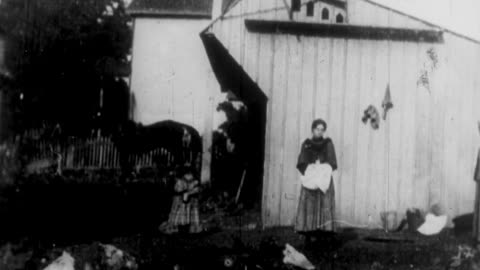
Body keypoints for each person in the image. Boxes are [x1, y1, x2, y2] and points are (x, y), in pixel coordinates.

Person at [295, 119, 338, 241]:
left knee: (325, 203)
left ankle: (325, 232)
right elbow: (302, 161)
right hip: (311, 178)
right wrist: (310, 167)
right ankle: (308, 230)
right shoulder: (307, 144)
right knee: (309, 203)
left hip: (324, 178)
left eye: (322, 130)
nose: (319, 132)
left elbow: (332, 161)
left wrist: (323, 167)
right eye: (317, 129)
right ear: (312, 129)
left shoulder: (328, 143)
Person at [160, 166, 203, 234]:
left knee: (192, 212)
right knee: (178, 212)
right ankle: (174, 227)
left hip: (191, 200)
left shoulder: (195, 182)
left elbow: (198, 190)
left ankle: (192, 227)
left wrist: (191, 192)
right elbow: (178, 190)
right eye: (187, 174)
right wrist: (186, 192)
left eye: (190, 174)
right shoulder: (180, 182)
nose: (189, 176)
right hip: (180, 200)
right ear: (184, 174)